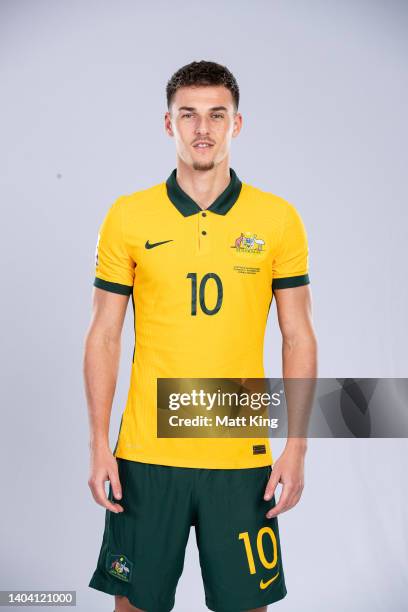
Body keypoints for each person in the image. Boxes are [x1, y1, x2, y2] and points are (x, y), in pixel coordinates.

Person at [85, 60, 317, 612]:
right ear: (169, 124)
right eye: (188, 115)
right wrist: (99, 444)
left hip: (240, 456)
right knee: (135, 605)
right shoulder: (128, 216)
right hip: (145, 453)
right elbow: (103, 337)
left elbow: (298, 336)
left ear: (238, 124)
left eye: (217, 114)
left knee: (245, 606)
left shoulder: (277, 219)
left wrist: (297, 447)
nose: (203, 128)